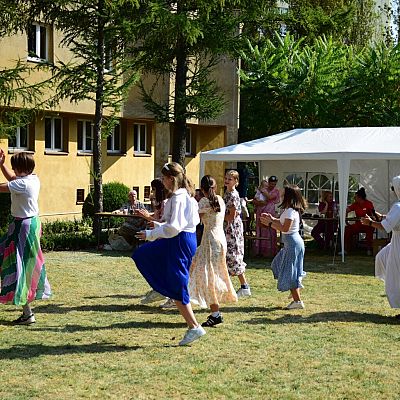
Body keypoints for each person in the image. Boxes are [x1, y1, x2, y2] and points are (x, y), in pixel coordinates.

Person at [132, 162, 206, 346]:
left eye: (164, 177)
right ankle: (160, 288)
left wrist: (152, 233)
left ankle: (194, 326)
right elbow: (177, 224)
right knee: (143, 255)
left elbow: (174, 228)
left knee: (177, 283)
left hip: (179, 241)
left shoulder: (180, 198)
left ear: (171, 179)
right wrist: (156, 228)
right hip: (180, 240)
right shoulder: (184, 197)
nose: (162, 181)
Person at [0, 150, 51, 324]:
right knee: (17, 266)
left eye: (14, 167)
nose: (12, 169)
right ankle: (27, 313)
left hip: (24, 226)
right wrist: (1, 164)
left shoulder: (23, 184)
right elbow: (12, 180)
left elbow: (4, 186)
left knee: (20, 268)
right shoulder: (32, 179)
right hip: (25, 224)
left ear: (21, 168)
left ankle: (28, 314)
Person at [189, 175, 238, 327]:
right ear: (215, 187)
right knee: (211, 273)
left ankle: (215, 313)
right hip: (220, 239)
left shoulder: (204, 201)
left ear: (202, 189)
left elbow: (194, 220)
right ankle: (208, 307)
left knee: (207, 275)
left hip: (209, 241)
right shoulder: (220, 200)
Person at [260, 184, 307, 309]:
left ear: (288, 197)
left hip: (293, 243)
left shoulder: (291, 211)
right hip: (290, 243)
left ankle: (297, 301)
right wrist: (272, 219)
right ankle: (295, 289)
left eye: (282, 194)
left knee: (289, 271)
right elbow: (282, 224)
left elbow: (285, 228)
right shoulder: (288, 211)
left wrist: (270, 223)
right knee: (277, 264)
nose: (280, 196)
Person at [361, 176, 400, 310]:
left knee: (396, 274)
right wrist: (381, 216)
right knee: (382, 257)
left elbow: (385, 226)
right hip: (396, 241)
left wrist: (370, 223)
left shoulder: (398, 206)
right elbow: (393, 220)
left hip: (398, 243)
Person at [137, 178, 175, 309]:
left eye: (153, 189)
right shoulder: (162, 202)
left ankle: (164, 291)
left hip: (164, 238)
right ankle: (161, 290)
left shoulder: (166, 202)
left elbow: (161, 221)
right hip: (161, 237)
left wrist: (147, 217)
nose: (152, 192)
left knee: (163, 266)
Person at [223, 170, 251, 297]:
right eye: (226, 178)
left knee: (233, 255)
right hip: (228, 227)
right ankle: (227, 286)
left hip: (232, 228)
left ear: (236, 182)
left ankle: (244, 286)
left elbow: (232, 216)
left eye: (230, 179)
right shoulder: (227, 193)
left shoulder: (233, 195)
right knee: (226, 256)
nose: (227, 180)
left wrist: (218, 216)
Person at [252, 176, 280, 257]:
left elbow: (270, 197)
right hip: (260, 211)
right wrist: (258, 203)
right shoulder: (263, 189)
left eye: (274, 184)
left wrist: (263, 191)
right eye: (271, 184)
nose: (272, 185)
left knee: (269, 229)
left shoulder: (276, 191)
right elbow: (254, 200)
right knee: (260, 229)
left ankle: (269, 250)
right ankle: (259, 250)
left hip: (269, 211)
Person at [343, 187, 376, 255]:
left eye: (355, 197)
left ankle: (369, 249)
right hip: (358, 224)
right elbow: (346, 210)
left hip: (368, 224)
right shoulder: (355, 204)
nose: (354, 199)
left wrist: (371, 219)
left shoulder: (368, 203)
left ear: (360, 197)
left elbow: (373, 214)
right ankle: (346, 249)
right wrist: (346, 221)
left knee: (370, 231)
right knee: (347, 229)